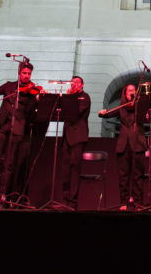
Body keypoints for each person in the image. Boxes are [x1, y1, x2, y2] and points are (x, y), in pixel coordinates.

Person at [0, 60, 39, 203]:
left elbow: (30, 113)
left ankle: (4, 194)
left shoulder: (31, 93)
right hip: (2, 125)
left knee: (8, 164)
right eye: (24, 73)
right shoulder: (9, 86)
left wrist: (36, 99)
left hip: (17, 128)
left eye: (29, 73)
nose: (27, 76)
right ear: (19, 73)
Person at [99, 83, 146, 210]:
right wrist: (104, 113)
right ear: (125, 94)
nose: (131, 92)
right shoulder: (121, 107)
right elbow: (109, 113)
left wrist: (137, 104)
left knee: (138, 176)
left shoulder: (140, 106)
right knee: (123, 177)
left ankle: (138, 203)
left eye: (133, 91)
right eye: (129, 91)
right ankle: (124, 203)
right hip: (123, 144)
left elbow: (144, 117)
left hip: (138, 144)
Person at [60, 76, 91, 207]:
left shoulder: (85, 97)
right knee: (65, 169)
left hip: (78, 137)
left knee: (74, 169)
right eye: (72, 83)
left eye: (77, 83)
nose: (74, 85)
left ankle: (73, 201)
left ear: (82, 85)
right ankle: (65, 198)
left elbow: (75, 112)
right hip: (67, 137)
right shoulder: (70, 97)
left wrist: (68, 98)